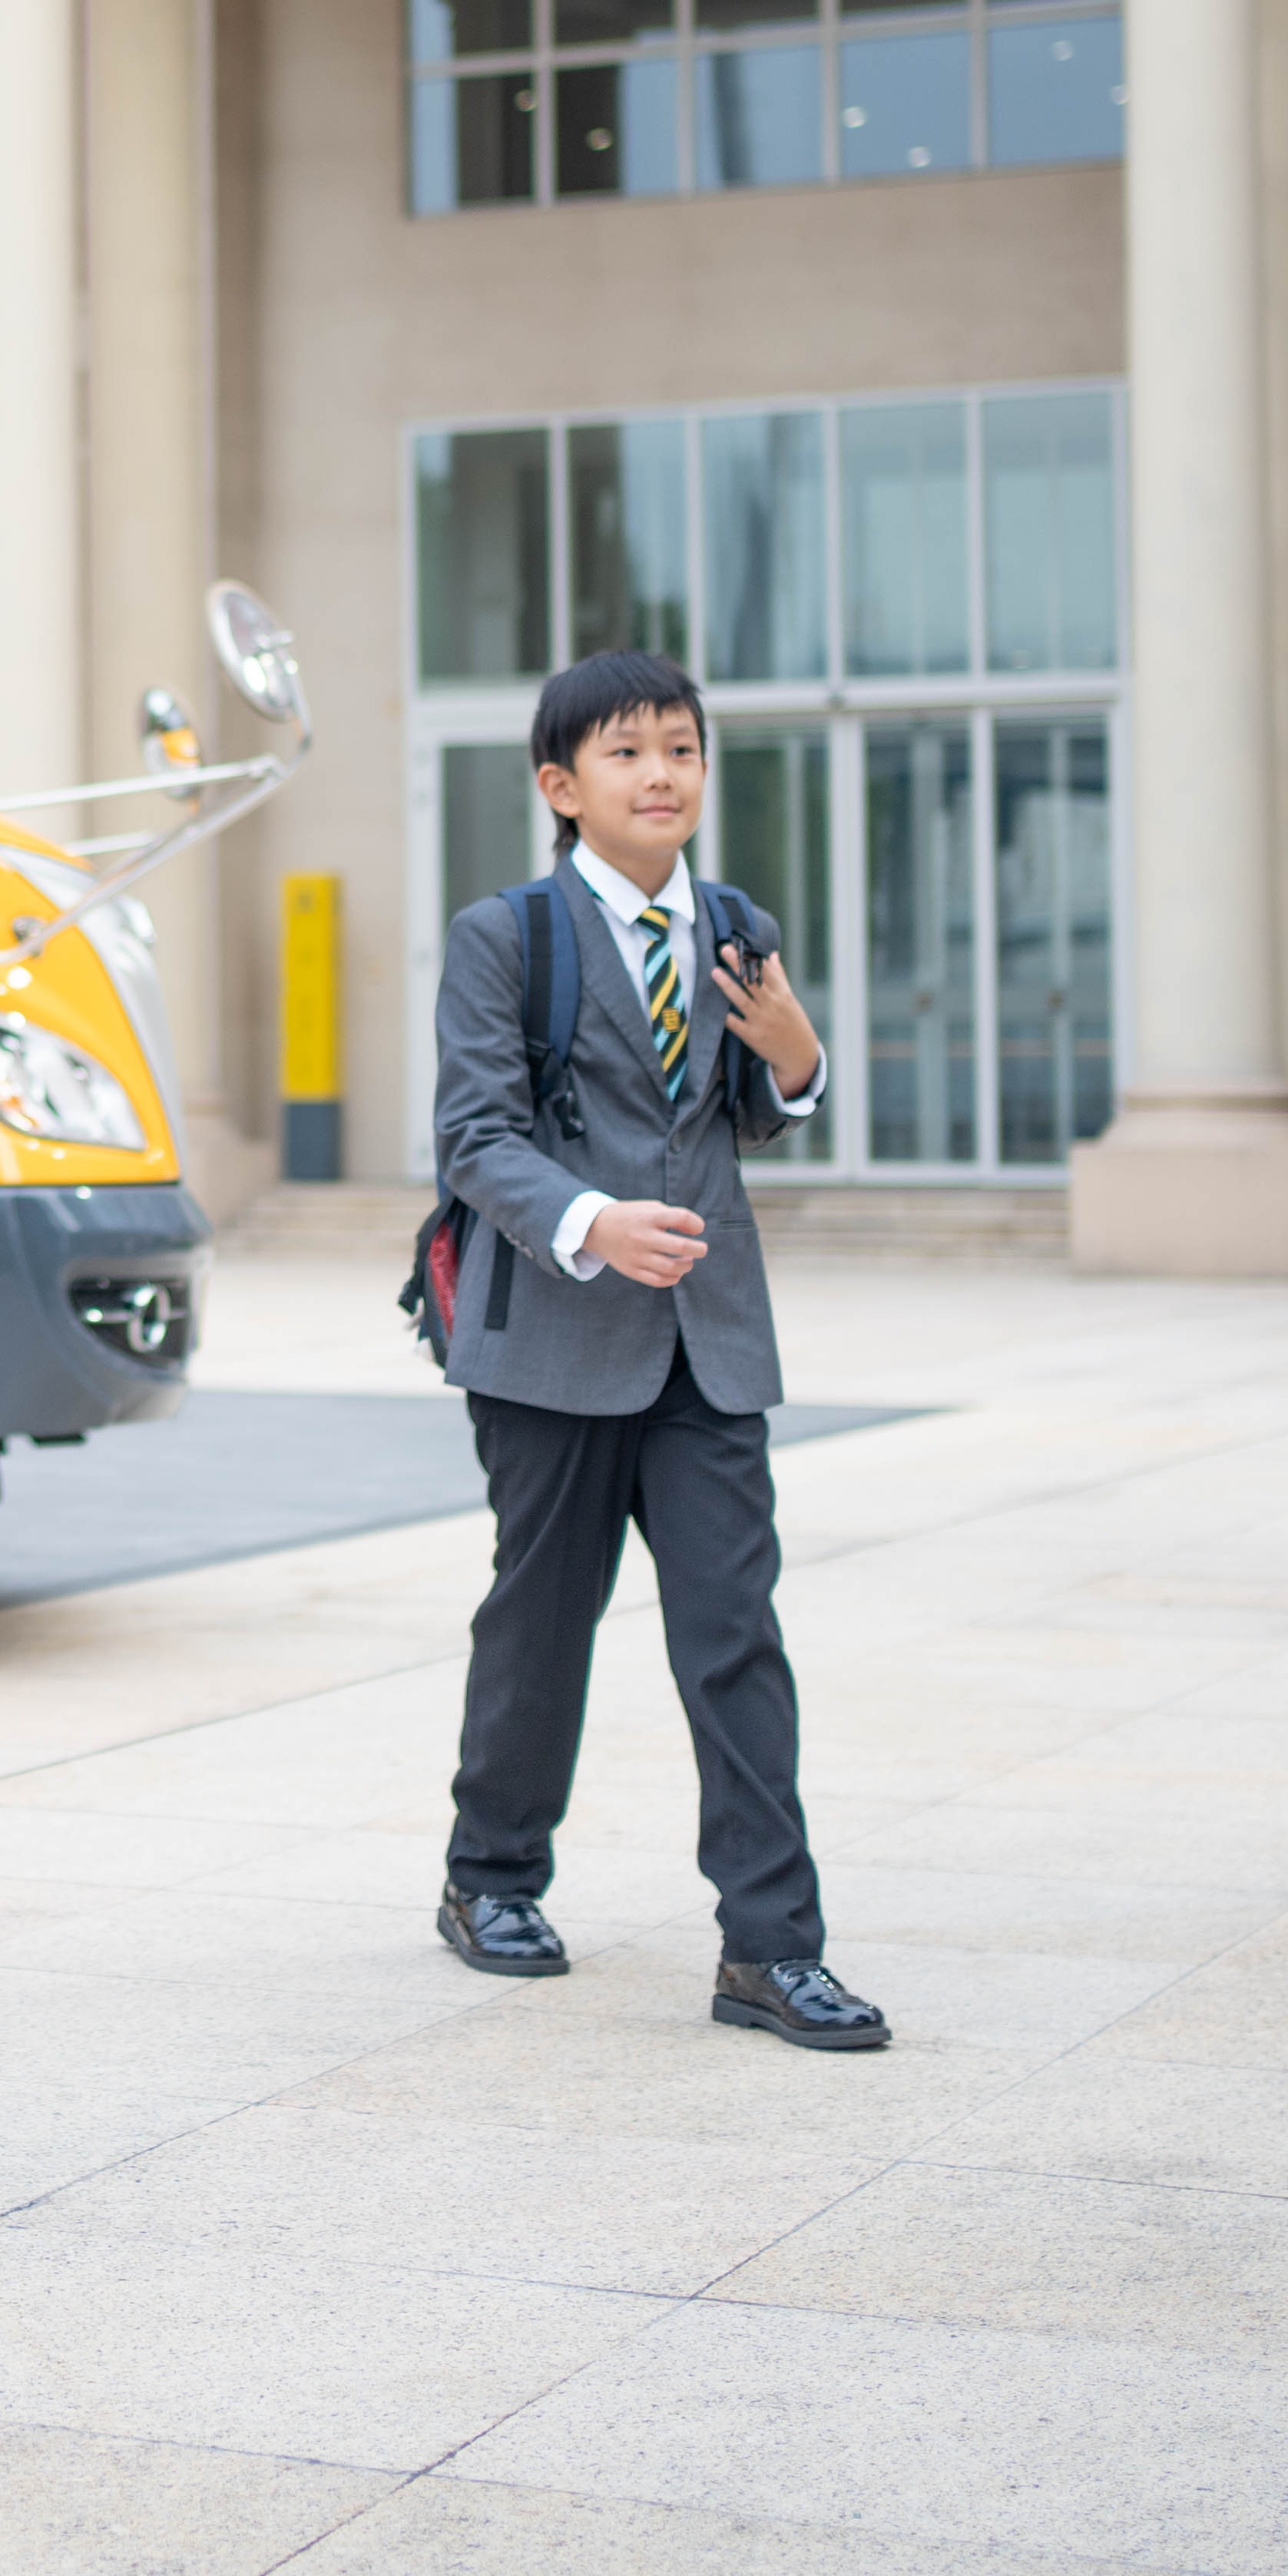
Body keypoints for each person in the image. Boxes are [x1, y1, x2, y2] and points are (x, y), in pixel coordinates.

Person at [426, 643, 886, 2053]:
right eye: (627, 752)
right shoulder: (510, 934)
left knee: (735, 1637)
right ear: (562, 785)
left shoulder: (736, 924)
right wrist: (589, 1221)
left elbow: (750, 1109)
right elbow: (474, 1134)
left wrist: (801, 1058)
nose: (663, 772)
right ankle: (491, 1875)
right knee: (541, 1621)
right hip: (555, 1340)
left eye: (680, 747)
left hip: (710, 1346)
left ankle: (771, 1946)